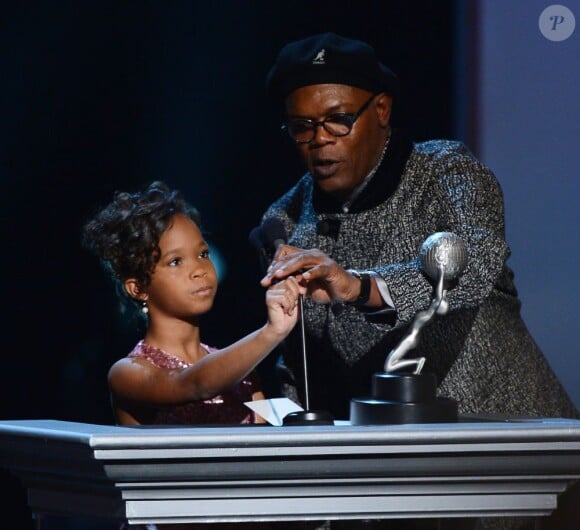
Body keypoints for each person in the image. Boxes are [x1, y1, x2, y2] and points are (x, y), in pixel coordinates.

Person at [258, 34, 580, 530]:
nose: (321, 140)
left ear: (381, 109)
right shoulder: (283, 221)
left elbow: (475, 266)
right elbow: (301, 358)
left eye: (338, 119)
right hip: (394, 483)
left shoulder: (447, 172)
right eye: (303, 127)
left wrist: (360, 287)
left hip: (513, 459)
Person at [82, 180, 305, 432]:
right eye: (176, 261)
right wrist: (271, 332)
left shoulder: (241, 373)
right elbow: (194, 384)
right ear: (138, 288)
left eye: (202, 254)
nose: (199, 270)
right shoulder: (127, 374)